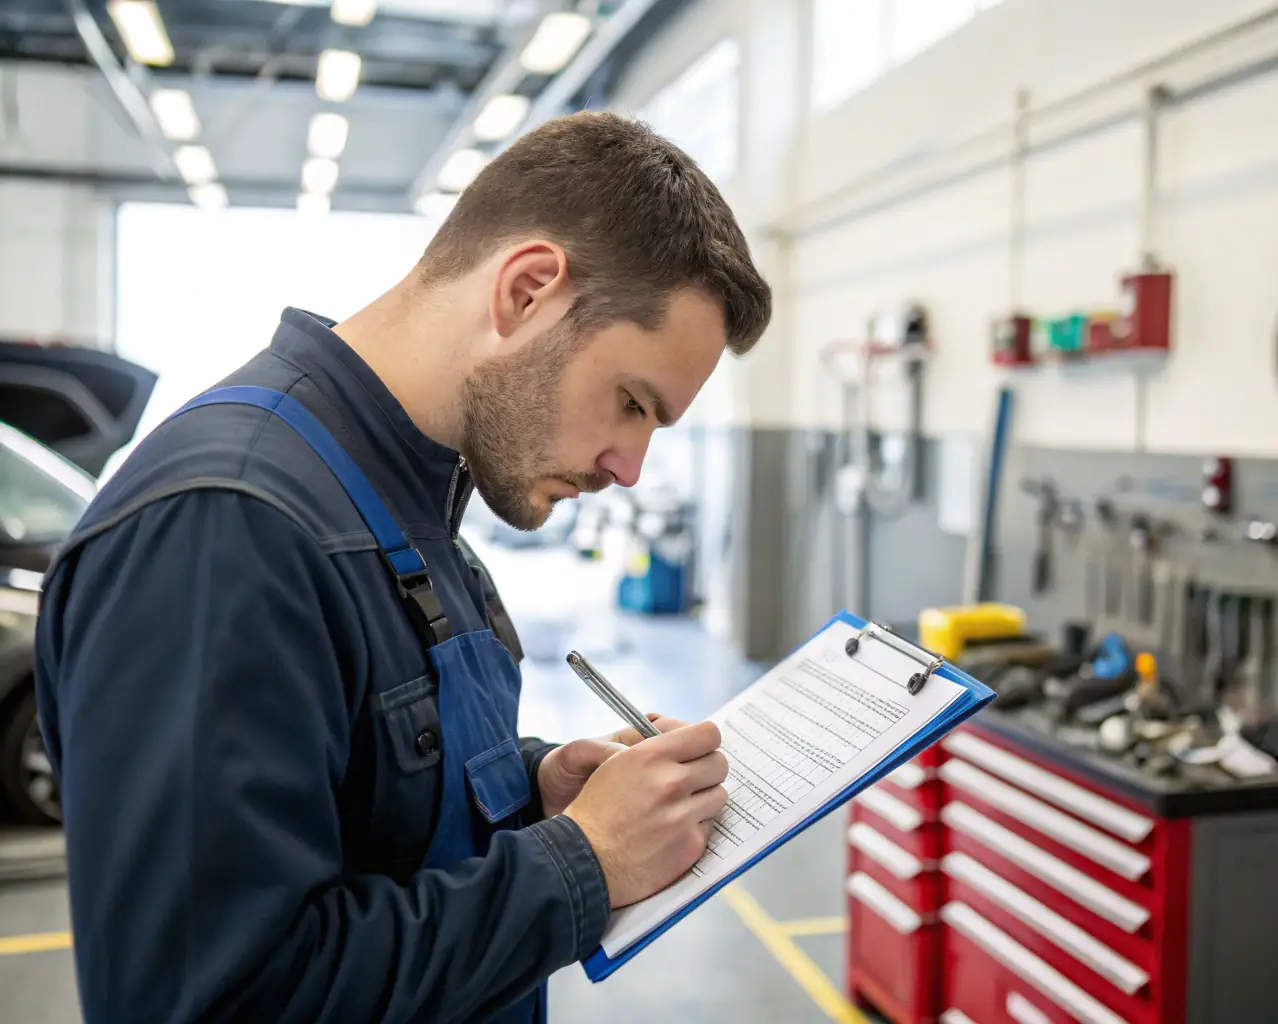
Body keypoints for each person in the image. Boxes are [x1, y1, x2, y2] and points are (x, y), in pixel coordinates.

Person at [33, 111, 773, 1023]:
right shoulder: (226, 528)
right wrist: (581, 863)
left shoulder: (406, 502)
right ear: (527, 291)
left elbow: (368, 818)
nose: (628, 466)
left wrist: (535, 799)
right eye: (630, 403)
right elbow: (215, 1000)